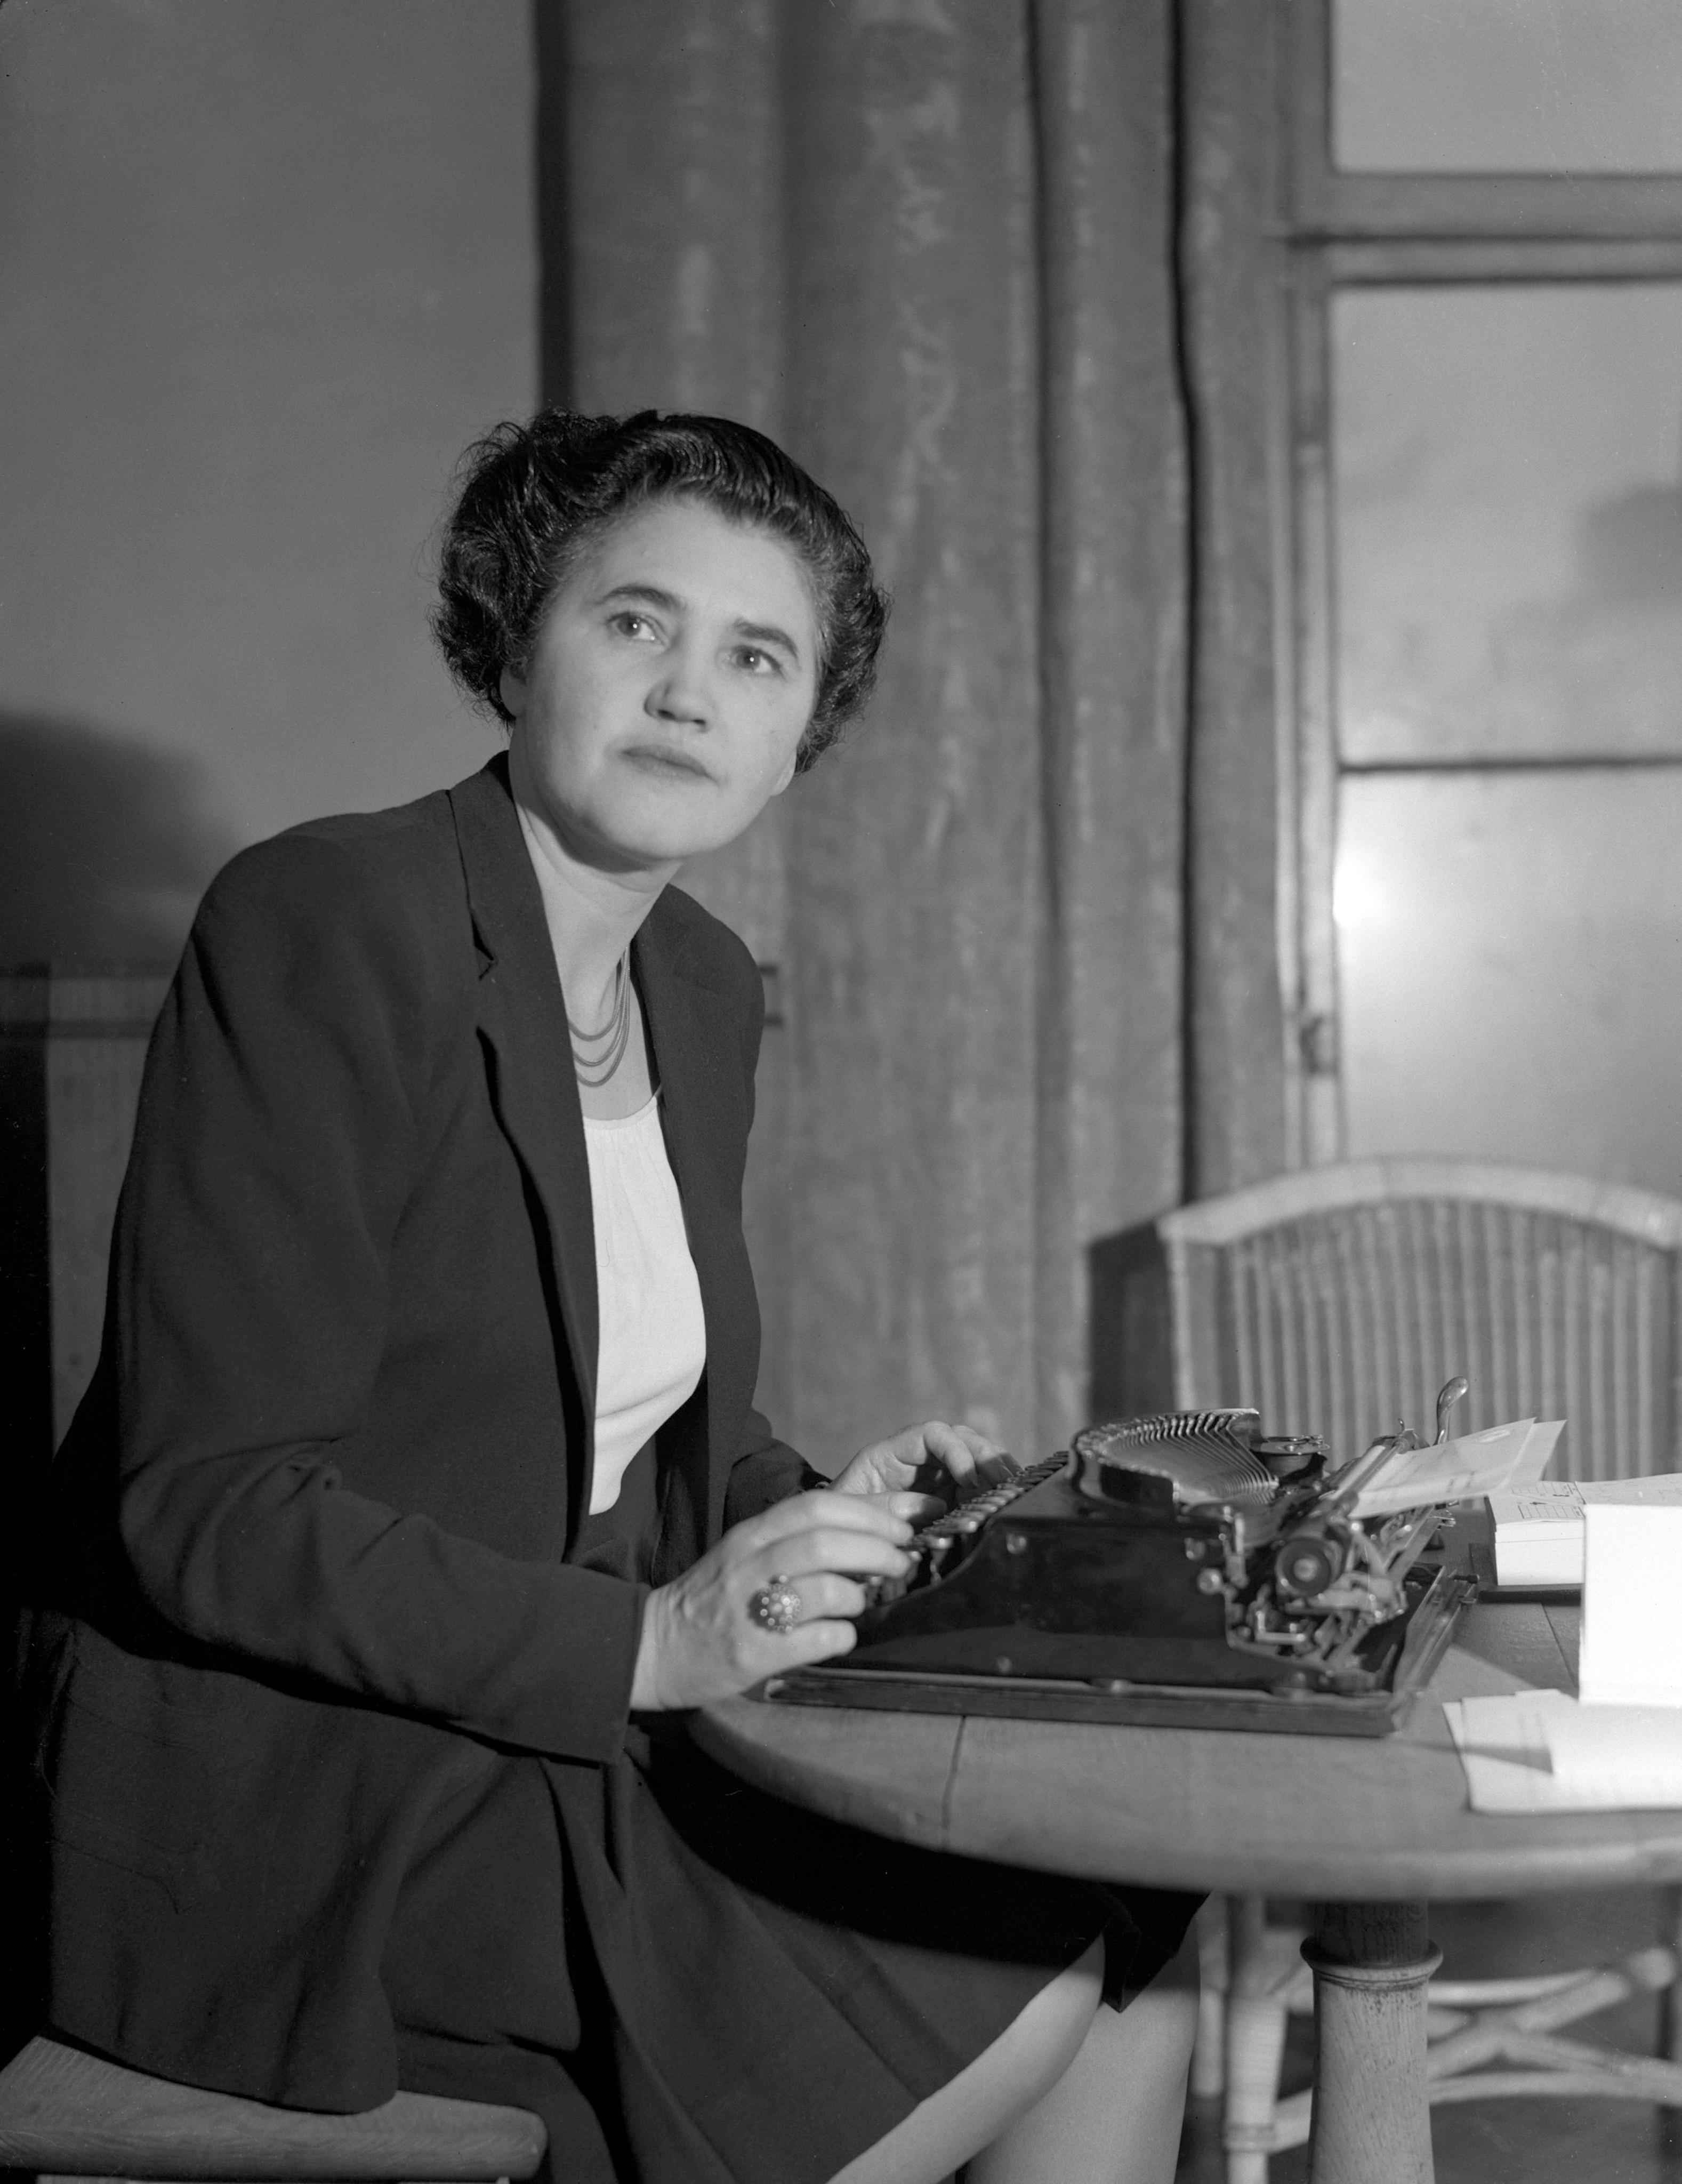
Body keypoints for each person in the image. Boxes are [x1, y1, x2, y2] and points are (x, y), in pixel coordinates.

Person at [15, 411, 1198, 2183]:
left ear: (802, 735)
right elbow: (206, 1508)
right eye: (634, 622)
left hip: (548, 1707)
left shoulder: (700, 986)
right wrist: (649, 1643)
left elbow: (640, 1441)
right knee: (1019, 1982)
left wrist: (831, 1517)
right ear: (513, 644)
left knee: (1135, 1936)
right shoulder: (328, 915)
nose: (687, 692)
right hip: (297, 1778)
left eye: (755, 655)